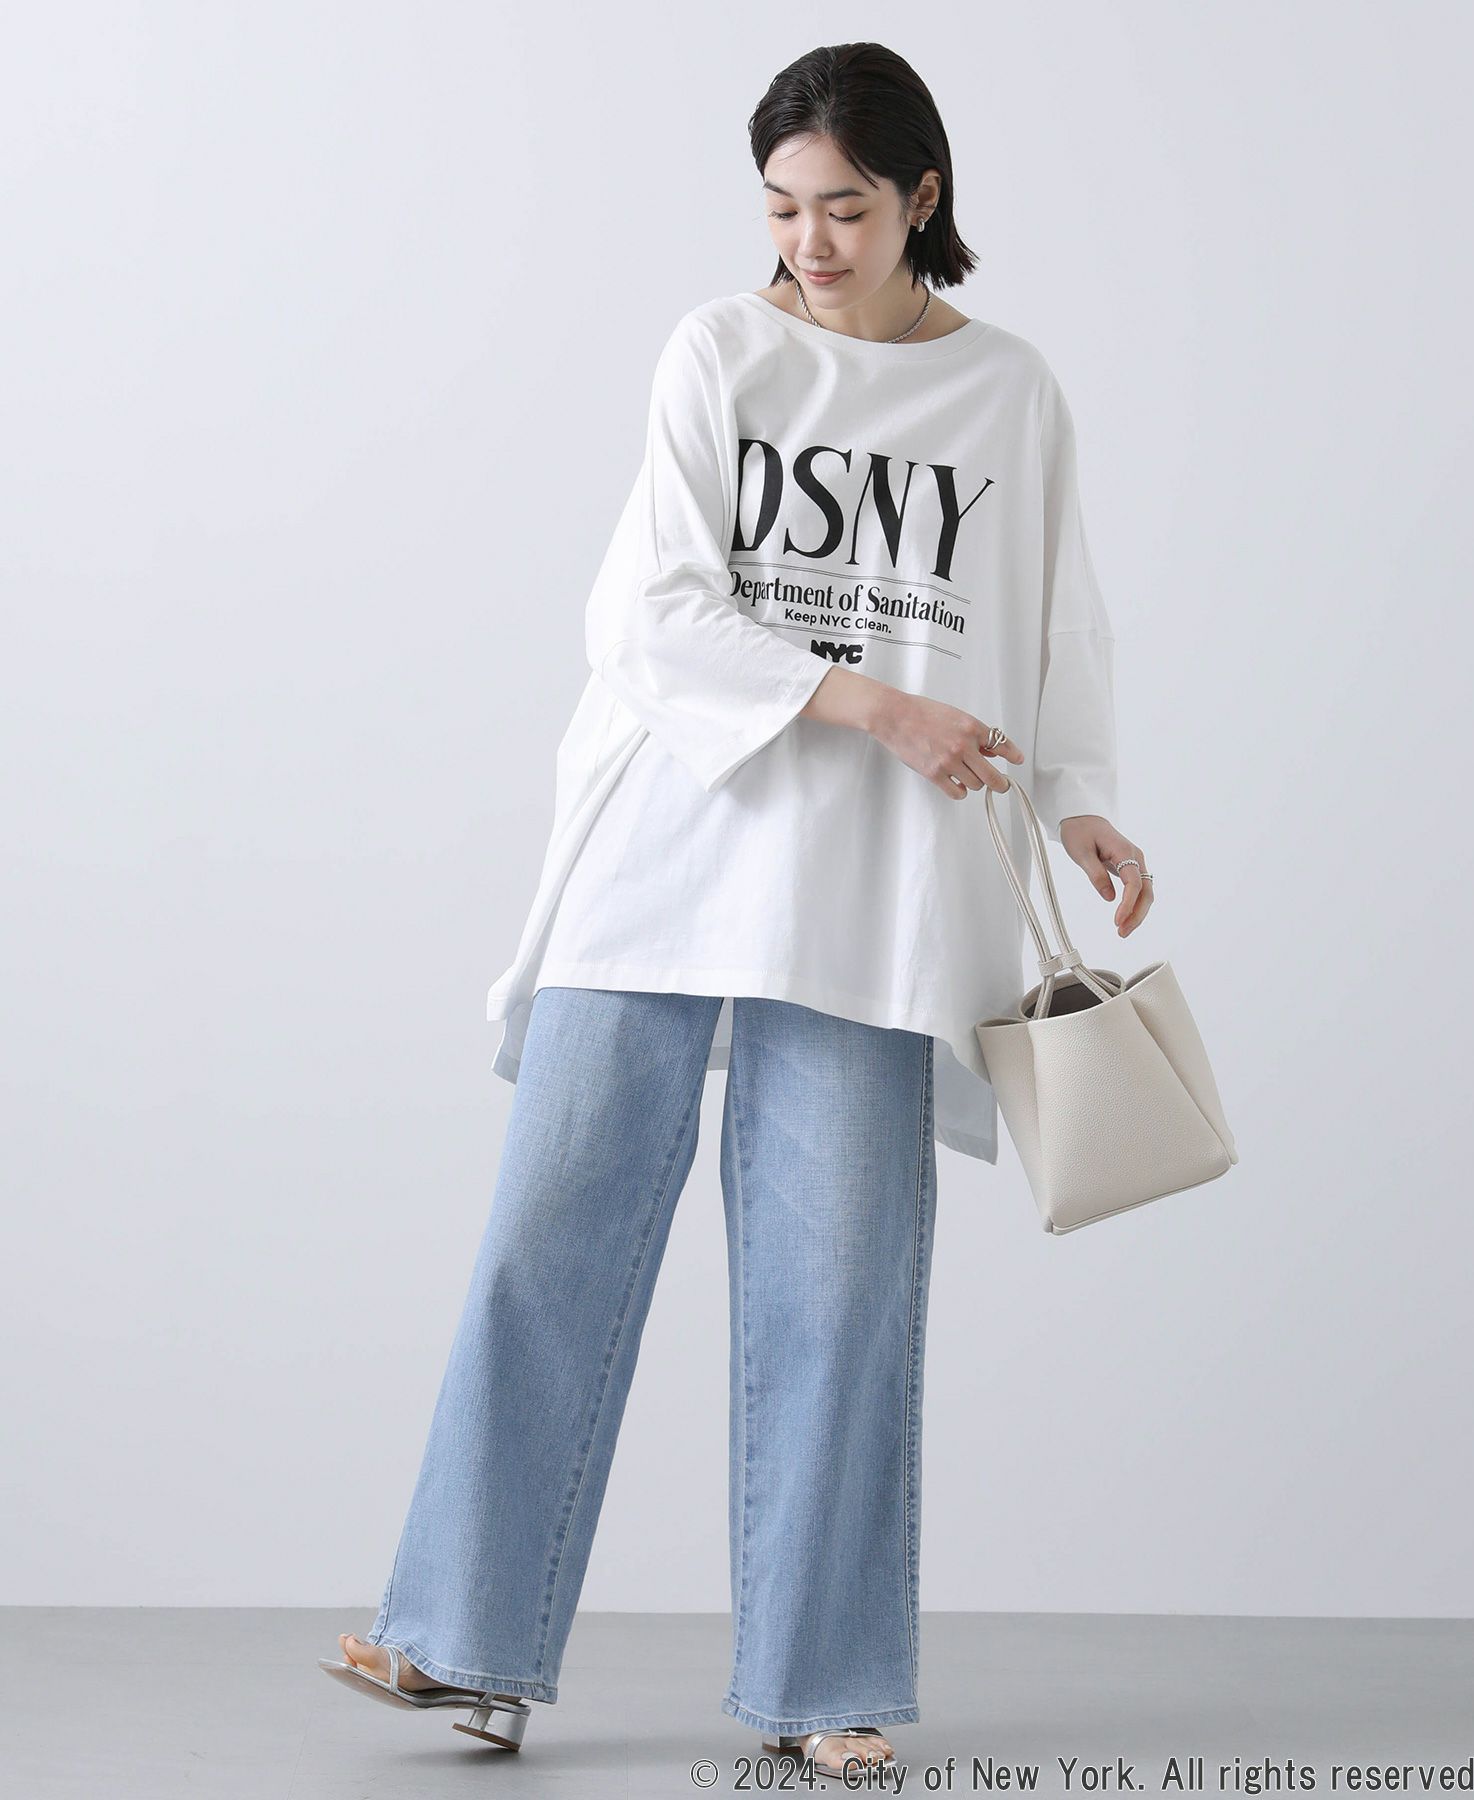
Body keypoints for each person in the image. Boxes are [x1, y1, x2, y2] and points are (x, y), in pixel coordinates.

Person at [319, 39, 1153, 1781]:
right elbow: (650, 615)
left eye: (843, 207)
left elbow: (1057, 622)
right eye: (780, 207)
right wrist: (877, 704)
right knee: (549, 1241)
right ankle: (462, 1639)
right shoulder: (720, 351)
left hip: (872, 902)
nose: (809, 242)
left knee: (840, 1297)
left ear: (922, 196)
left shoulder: (1009, 393)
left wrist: (1080, 801)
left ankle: (824, 1684)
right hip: (666, 861)